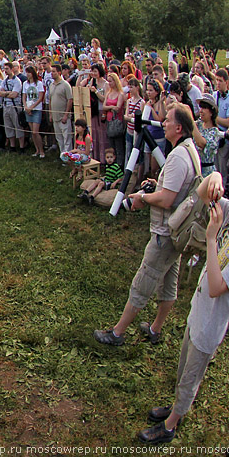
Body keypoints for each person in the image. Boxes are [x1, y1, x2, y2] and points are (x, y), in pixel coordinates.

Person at [136, 171, 229, 444]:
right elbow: (204, 192)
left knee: (191, 377)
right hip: (198, 314)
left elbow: (215, 287)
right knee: (183, 369)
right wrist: (216, 177)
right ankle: (177, 407)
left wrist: (211, 238)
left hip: (210, 327)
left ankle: (171, 425)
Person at [94, 104, 198, 346]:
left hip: (165, 233)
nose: (164, 123)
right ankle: (155, 329)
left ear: (179, 127)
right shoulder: (189, 150)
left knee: (143, 282)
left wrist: (142, 198)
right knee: (169, 283)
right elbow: (175, 190)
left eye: (169, 120)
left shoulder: (177, 157)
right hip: (176, 233)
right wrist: (157, 184)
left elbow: (167, 199)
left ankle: (117, 334)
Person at [0, 63, 25, 153]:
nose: (5, 71)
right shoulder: (4, 81)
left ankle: (22, 146)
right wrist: (8, 93)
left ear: (12, 69)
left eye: (7, 69)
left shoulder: (17, 81)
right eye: (4, 69)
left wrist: (5, 93)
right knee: (8, 126)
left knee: (18, 126)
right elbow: (0, 93)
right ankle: (12, 146)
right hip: (6, 105)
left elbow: (15, 94)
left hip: (15, 106)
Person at [193, 96, 221, 176]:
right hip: (195, 169)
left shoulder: (214, 132)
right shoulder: (198, 124)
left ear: (211, 112)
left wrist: (191, 122)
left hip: (207, 173)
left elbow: (201, 143)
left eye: (204, 108)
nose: (201, 111)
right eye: (200, 107)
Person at [22, 66, 46, 158]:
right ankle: (37, 150)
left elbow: (40, 98)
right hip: (28, 109)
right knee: (32, 132)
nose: (27, 74)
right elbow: (24, 96)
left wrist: (32, 107)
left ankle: (42, 150)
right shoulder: (25, 84)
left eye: (29, 72)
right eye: (26, 72)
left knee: (36, 131)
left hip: (36, 109)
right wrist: (26, 107)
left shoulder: (39, 84)